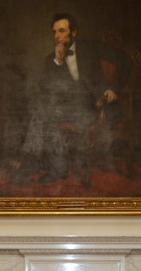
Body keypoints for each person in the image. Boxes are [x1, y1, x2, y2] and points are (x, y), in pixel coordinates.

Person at [16, 12, 128, 185]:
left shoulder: (91, 47)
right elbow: (50, 90)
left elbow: (124, 60)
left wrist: (113, 88)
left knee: (45, 114)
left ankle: (52, 168)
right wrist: (59, 62)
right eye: (54, 32)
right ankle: (44, 167)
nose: (57, 36)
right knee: (41, 114)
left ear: (74, 32)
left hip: (95, 106)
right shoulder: (51, 60)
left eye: (61, 31)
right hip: (67, 108)